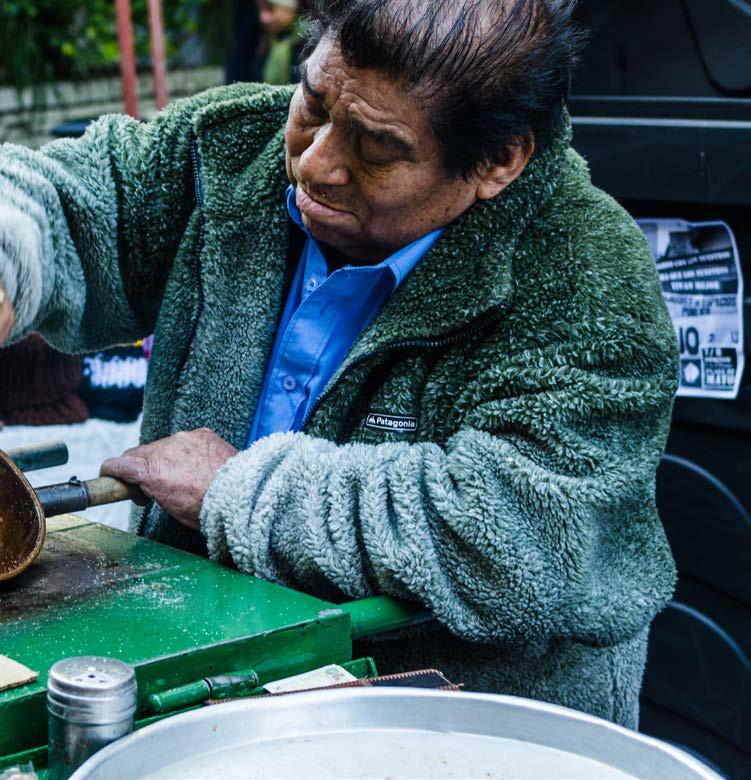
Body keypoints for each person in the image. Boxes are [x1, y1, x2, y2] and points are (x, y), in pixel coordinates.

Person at [0, 0, 679, 727]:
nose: (316, 162)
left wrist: (238, 492)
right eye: (313, 103)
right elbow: (71, 198)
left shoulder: (585, 274)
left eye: (377, 147)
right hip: (213, 699)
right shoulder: (232, 149)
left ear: (497, 161)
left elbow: (523, 533)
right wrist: (11, 255)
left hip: (460, 732)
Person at [255, 0, 307, 85]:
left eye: (270, 9)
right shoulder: (265, 39)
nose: (263, 18)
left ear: (290, 9)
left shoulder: (310, 43)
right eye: (260, 9)